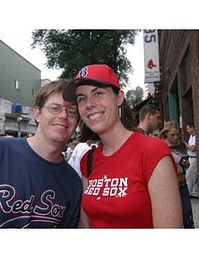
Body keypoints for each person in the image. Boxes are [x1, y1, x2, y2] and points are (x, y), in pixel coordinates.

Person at [0, 79, 82, 228]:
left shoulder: (73, 183)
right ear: (38, 113)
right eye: (55, 108)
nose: (63, 115)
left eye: (71, 111)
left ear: (76, 122)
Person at [63, 64, 182, 228]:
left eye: (98, 93)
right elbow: (85, 224)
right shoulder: (88, 160)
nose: (89, 104)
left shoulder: (152, 151)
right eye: (81, 98)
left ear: (119, 97)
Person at [158, 121, 194, 228]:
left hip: (182, 183)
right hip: (168, 185)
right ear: (166, 134)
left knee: (187, 214)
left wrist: (185, 163)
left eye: (177, 135)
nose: (175, 137)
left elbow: (187, 165)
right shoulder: (161, 144)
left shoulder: (182, 145)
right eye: (172, 135)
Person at [184, 123, 198, 198]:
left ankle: (188, 193)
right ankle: (194, 192)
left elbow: (192, 148)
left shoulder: (195, 137)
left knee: (189, 176)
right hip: (190, 157)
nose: (187, 130)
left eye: (188, 128)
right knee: (194, 177)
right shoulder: (191, 136)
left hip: (194, 158)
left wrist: (185, 144)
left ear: (192, 128)